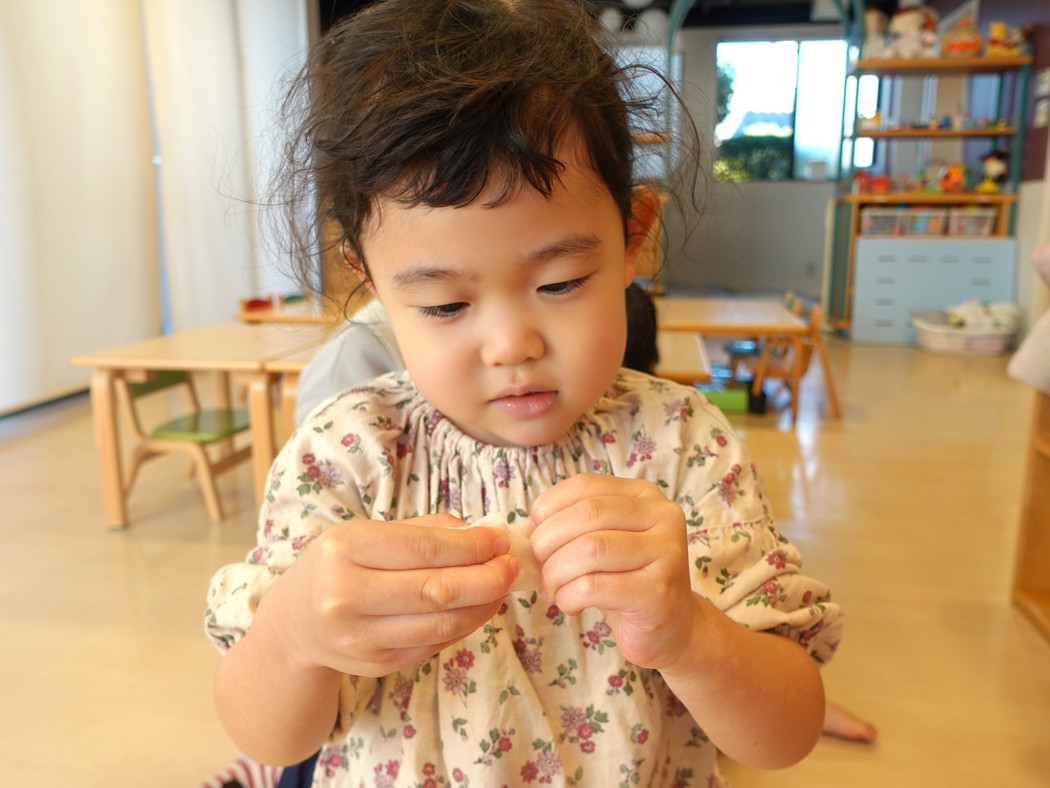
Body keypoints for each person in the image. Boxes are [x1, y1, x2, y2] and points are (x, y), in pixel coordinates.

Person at [205, 2, 844, 785]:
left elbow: (785, 733)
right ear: (370, 281)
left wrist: (690, 633)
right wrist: (294, 635)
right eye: (445, 304)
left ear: (634, 236)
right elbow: (268, 735)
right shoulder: (349, 455)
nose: (512, 345)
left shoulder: (682, 445)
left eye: (561, 282)